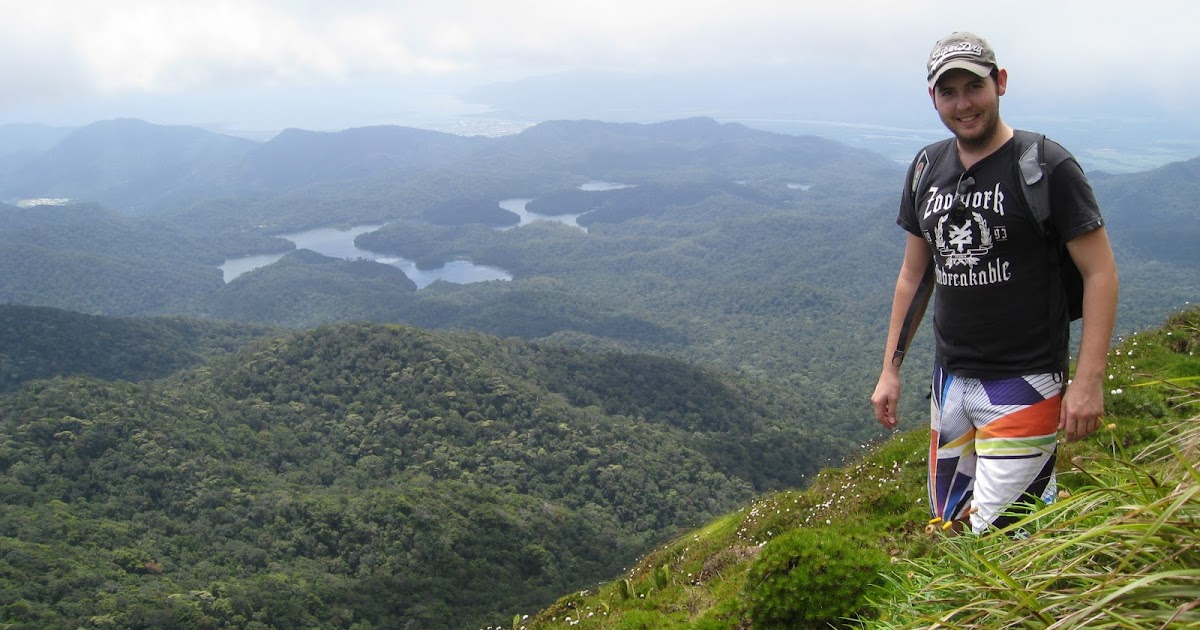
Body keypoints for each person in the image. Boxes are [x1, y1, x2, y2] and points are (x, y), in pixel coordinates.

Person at [870, 32, 1119, 534]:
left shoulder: (1046, 166)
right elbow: (914, 275)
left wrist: (1089, 381)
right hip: (950, 380)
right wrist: (890, 371)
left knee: (1007, 536)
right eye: (948, 92)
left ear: (1000, 83)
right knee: (952, 519)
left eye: (974, 87)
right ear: (933, 98)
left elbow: (1101, 273)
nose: (963, 104)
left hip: (1024, 380)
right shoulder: (926, 168)